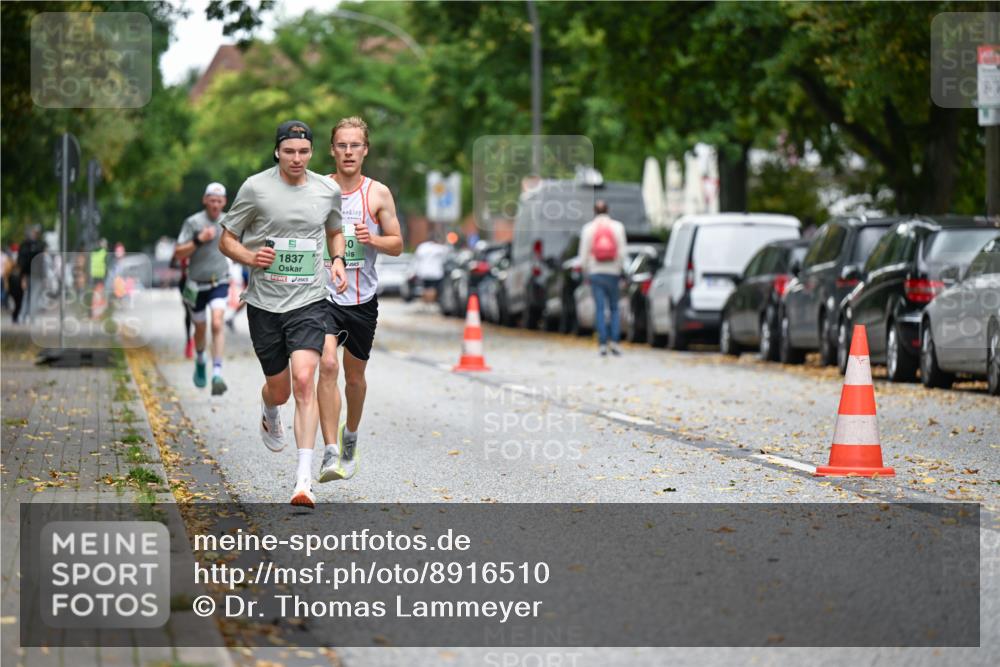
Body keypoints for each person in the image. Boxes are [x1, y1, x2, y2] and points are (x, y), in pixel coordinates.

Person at [218, 120, 347, 508]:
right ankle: (269, 407)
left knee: (305, 380)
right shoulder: (256, 188)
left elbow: (334, 230)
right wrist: (249, 256)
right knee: (282, 388)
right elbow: (228, 238)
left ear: (312, 154)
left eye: (304, 152)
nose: (296, 158)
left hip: (308, 301)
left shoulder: (327, 190)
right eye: (289, 151)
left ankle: (303, 481)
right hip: (264, 304)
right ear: (277, 151)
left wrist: (337, 260)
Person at [316, 116, 403, 483]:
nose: (348, 151)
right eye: (342, 145)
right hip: (322, 296)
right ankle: (330, 452)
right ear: (332, 149)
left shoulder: (377, 193)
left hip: (362, 298)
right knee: (327, 367)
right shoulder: (317, 188)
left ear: (365, 150)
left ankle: (349, 436)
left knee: (354, 379)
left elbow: (397, 244)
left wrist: (373, 240)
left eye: (355, 145)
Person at [174, 183, 232, 395]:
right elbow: (179, 253)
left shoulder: (228, 221)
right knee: (200, 329)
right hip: (196, 284)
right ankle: (200, 359)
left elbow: (239, 245)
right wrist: (199, 240)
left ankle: (217, 372)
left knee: (217, 323)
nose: (215, 204)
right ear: (205, 200)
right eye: (212, 200)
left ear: (224, 202)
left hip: (220, 281)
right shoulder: (193, 222)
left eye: (219, 201)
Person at [577, 200, 627, 356]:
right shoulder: (618, 227)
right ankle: (615, 342)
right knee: (614, 308)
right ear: (608, 210)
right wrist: (619, 268)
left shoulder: (588, 229)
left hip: (595, 271)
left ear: (594, 212)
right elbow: (622, 251)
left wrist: (585, 271)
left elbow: (583, 254)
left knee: (599, 308)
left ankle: (603, 344)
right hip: (613, 272)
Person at [13, 225, 45, 324]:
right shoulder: (38, 246)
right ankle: (30, 318)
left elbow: (20, 262)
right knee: (33, 296)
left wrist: (22, 275)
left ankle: (23, 316)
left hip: (27, 274)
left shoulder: (24, 246)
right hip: (34, 275)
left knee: (26, 296)